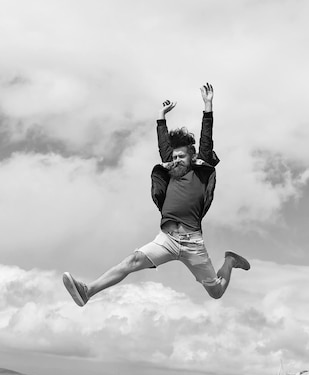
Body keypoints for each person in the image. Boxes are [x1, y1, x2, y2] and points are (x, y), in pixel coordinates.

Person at [63, 83, 250, 307]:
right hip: (167, 240)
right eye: (175, 157)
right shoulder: (170, 172)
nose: (177, 160)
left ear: (192, 157)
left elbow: (206, 140)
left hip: (193, 244)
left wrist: (208, 105)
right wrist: (160, 116)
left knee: (217, 292)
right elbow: (163, 146)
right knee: (132, 261)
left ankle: (230, 260)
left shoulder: (200, 173)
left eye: (182, 157)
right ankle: (88, 291)